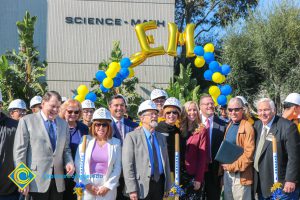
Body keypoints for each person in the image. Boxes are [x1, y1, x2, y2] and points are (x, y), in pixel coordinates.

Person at [13, 91, 75, 200]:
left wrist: (69, 162)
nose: (55, 110)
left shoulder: (63, 124)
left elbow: (66, 150)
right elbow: (19, 154)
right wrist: (22, 181)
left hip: (58, 183)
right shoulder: (26, 121)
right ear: (43, 103)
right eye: (52, 106)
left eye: (58, 107)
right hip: (34, 183)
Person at [122, 100, 171, 200]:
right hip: (141, 186)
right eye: (151, 114)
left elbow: (166, 163)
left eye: (156, 113)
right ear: (142, 118)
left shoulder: (161, 137)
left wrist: (167, 186)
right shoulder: (132, 137)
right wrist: (132, 189)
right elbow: (127, 165)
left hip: (159, 184)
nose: (154, 116)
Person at [253, 98, 300, 199]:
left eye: (266, 110)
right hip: (262, 185)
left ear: (274, 110)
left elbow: (295, 157)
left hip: (282, 186)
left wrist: (291, 179)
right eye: (260, 110)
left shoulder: (288, 127)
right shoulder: (256, 125)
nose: (263, 113)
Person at [75, 108, 122, 199]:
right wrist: (87, 184)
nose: (101, 128)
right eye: (97, 124)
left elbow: (117, 167)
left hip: (107, 186)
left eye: (104, 125)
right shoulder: (85, 140)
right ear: (93, 126)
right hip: (87, 184)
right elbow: (78, 163)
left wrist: (107, 186)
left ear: (109, 126)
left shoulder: (116, 143)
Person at [221, 97, 255, 200]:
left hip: (241, 176)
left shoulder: (247, 127)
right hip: (228, 174)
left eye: (236, 109)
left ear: (242, 110)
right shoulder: (230, 125)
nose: (233, 112)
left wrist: (231, 166)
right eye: (230, 110)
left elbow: (249, 155)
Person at [108, 94, 138, 199]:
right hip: (110, 174)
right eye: (116, 105)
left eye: (122, 105)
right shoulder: (103, 126)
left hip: (128, 175)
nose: (119, 108)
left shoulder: (134, 126)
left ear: (125, 107)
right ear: (110, 107)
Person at [59, 99, 89, 200]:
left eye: (76, 112)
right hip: (60, 171)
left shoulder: (84, 128)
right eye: (70, 111)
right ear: (64, 111)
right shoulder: (57, 126)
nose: (73, 114)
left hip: (79, 172)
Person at [199, 94, 227, 200]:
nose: (210, 106)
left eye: (212, 103)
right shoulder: (193, 123)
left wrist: (223, 173)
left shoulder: (223, 124)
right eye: (207, 104)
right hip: (198, 169)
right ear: (200, 106)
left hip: (214, 170)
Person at [180, 101, 208, 199]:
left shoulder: (202, 130)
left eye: (195, 110)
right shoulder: (178, 128)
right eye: (189, 110)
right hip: (178, 174)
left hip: (193, 175)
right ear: (184, 112)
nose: (192, 112)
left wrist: (199, 179)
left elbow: (203, 157)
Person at [0, 90, 20, 200]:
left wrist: (23, 183)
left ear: (1, 105)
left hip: (10, 191)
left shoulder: (15, 126)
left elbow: (24, 154)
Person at [155, 97, 181, 175]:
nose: (171, 115)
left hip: (174, 170)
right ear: (164, 114)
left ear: (178, 115)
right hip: (160, 170)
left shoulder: (178, 131)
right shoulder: (157, 128)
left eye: (174, 112)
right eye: (168, 112)